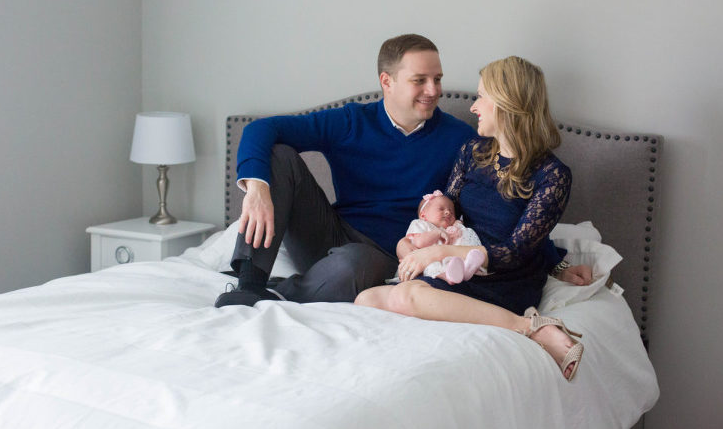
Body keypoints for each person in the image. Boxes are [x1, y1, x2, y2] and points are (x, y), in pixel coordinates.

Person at [216, 35, 590, 308]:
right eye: (420, 80)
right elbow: (260, 130)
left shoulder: (462, 140)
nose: (433, 90)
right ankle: (249, 282)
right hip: (331, 231)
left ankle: (283, 292)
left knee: (355, 263)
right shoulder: (351, 120)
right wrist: (257, 189)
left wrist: (554, 261)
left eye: (438, 79)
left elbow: (498, 210)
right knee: (279, 157)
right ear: (387, 82)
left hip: (389, 251)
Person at [355, 56, 587, 381]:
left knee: (409, 296)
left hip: (506, 278)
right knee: (366, 299)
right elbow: (447, 219)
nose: (474, 107)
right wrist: (413, 244)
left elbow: (517, 250)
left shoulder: (552, 175)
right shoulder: (472, 153)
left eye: (481, 97)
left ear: (507, 103)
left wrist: (438, 253)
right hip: (460, 268)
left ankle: (531, 327)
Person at [397, 190, 486, 284]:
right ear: (423, 215)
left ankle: (468, 269)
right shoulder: (420, 224)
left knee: (465, 239)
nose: (448, 212)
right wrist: (437, 233)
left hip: (449, 260)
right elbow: (418, 243)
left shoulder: (453, 228)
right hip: (423, 263)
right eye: (441, 209)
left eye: (452, 212)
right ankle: (447, 277)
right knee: (432, 266)